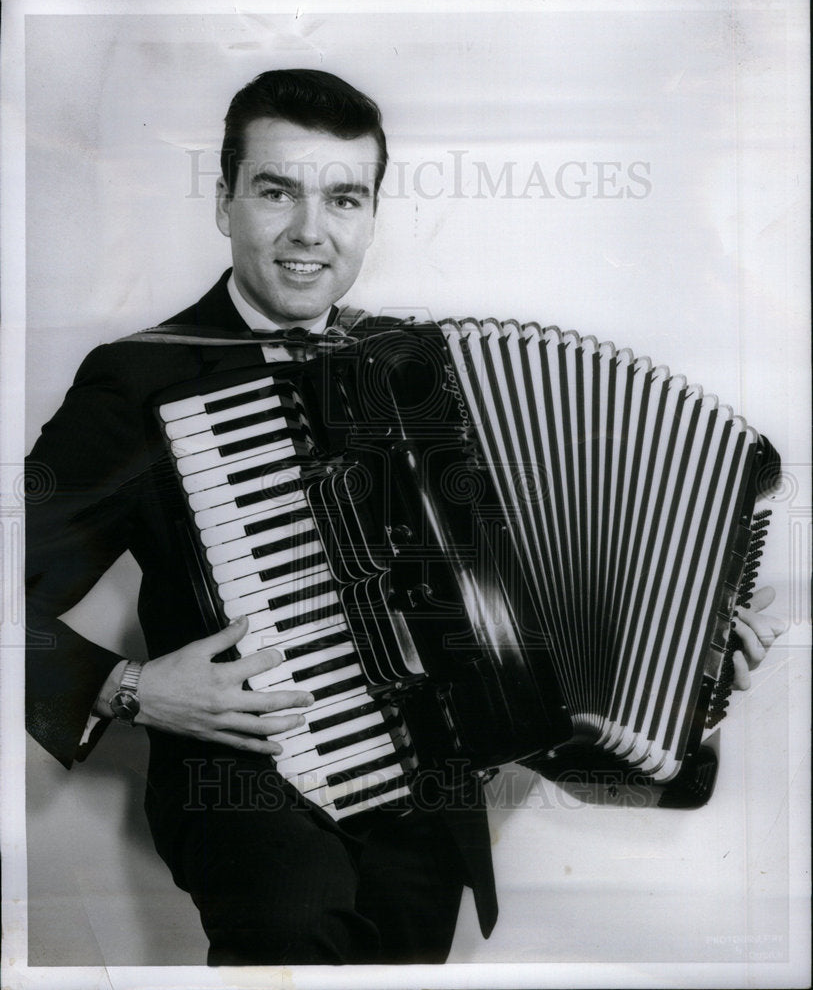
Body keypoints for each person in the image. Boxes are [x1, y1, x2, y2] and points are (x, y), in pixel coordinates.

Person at [24, 68, 786, 966]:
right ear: (224, 202)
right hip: (255, 801)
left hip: (427, 818)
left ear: (372, 215)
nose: (311, 231)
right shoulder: (139, 382)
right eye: (277, 192)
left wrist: (682, 671)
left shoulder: (420, 371)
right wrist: (131, 689)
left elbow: (524, 648)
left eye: (344, 198)